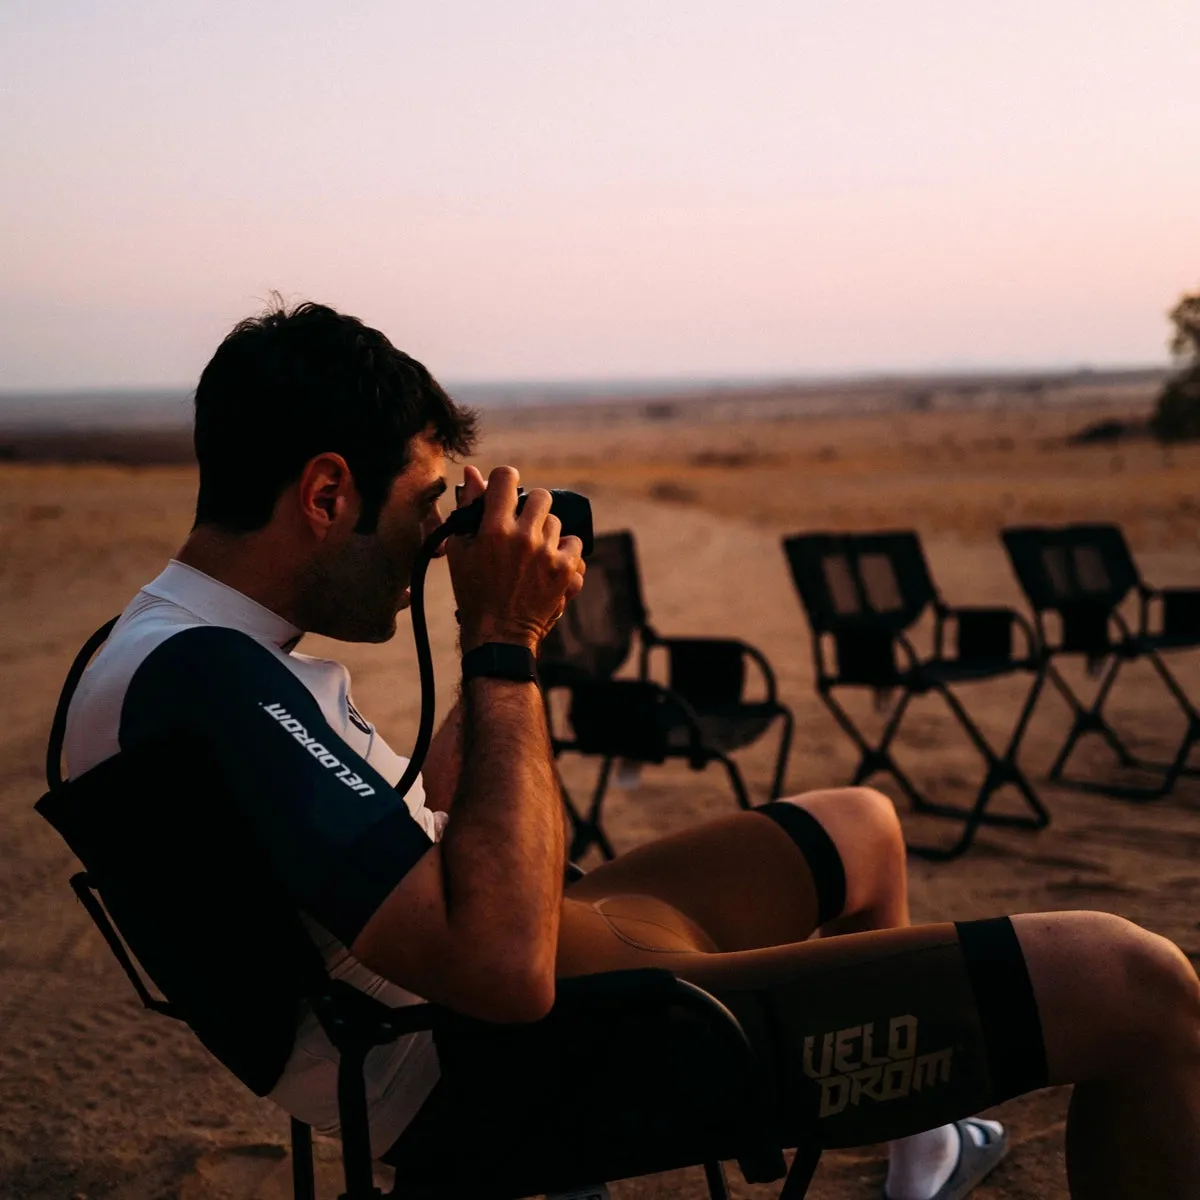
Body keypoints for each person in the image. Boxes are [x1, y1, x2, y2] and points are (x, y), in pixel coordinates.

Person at [64, 300, 1200, 1200]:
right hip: (509, 1064)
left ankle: (922, 1154)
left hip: (504, 977)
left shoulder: (163, 653)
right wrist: (503, 640)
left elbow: (458, 826)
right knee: (1137, 983)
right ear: (324, 492)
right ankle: (935, 1133)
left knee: (865, 820)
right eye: (423, 506)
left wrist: (506, 639)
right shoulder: (207, 682)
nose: (428, 545)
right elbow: (504, 972)